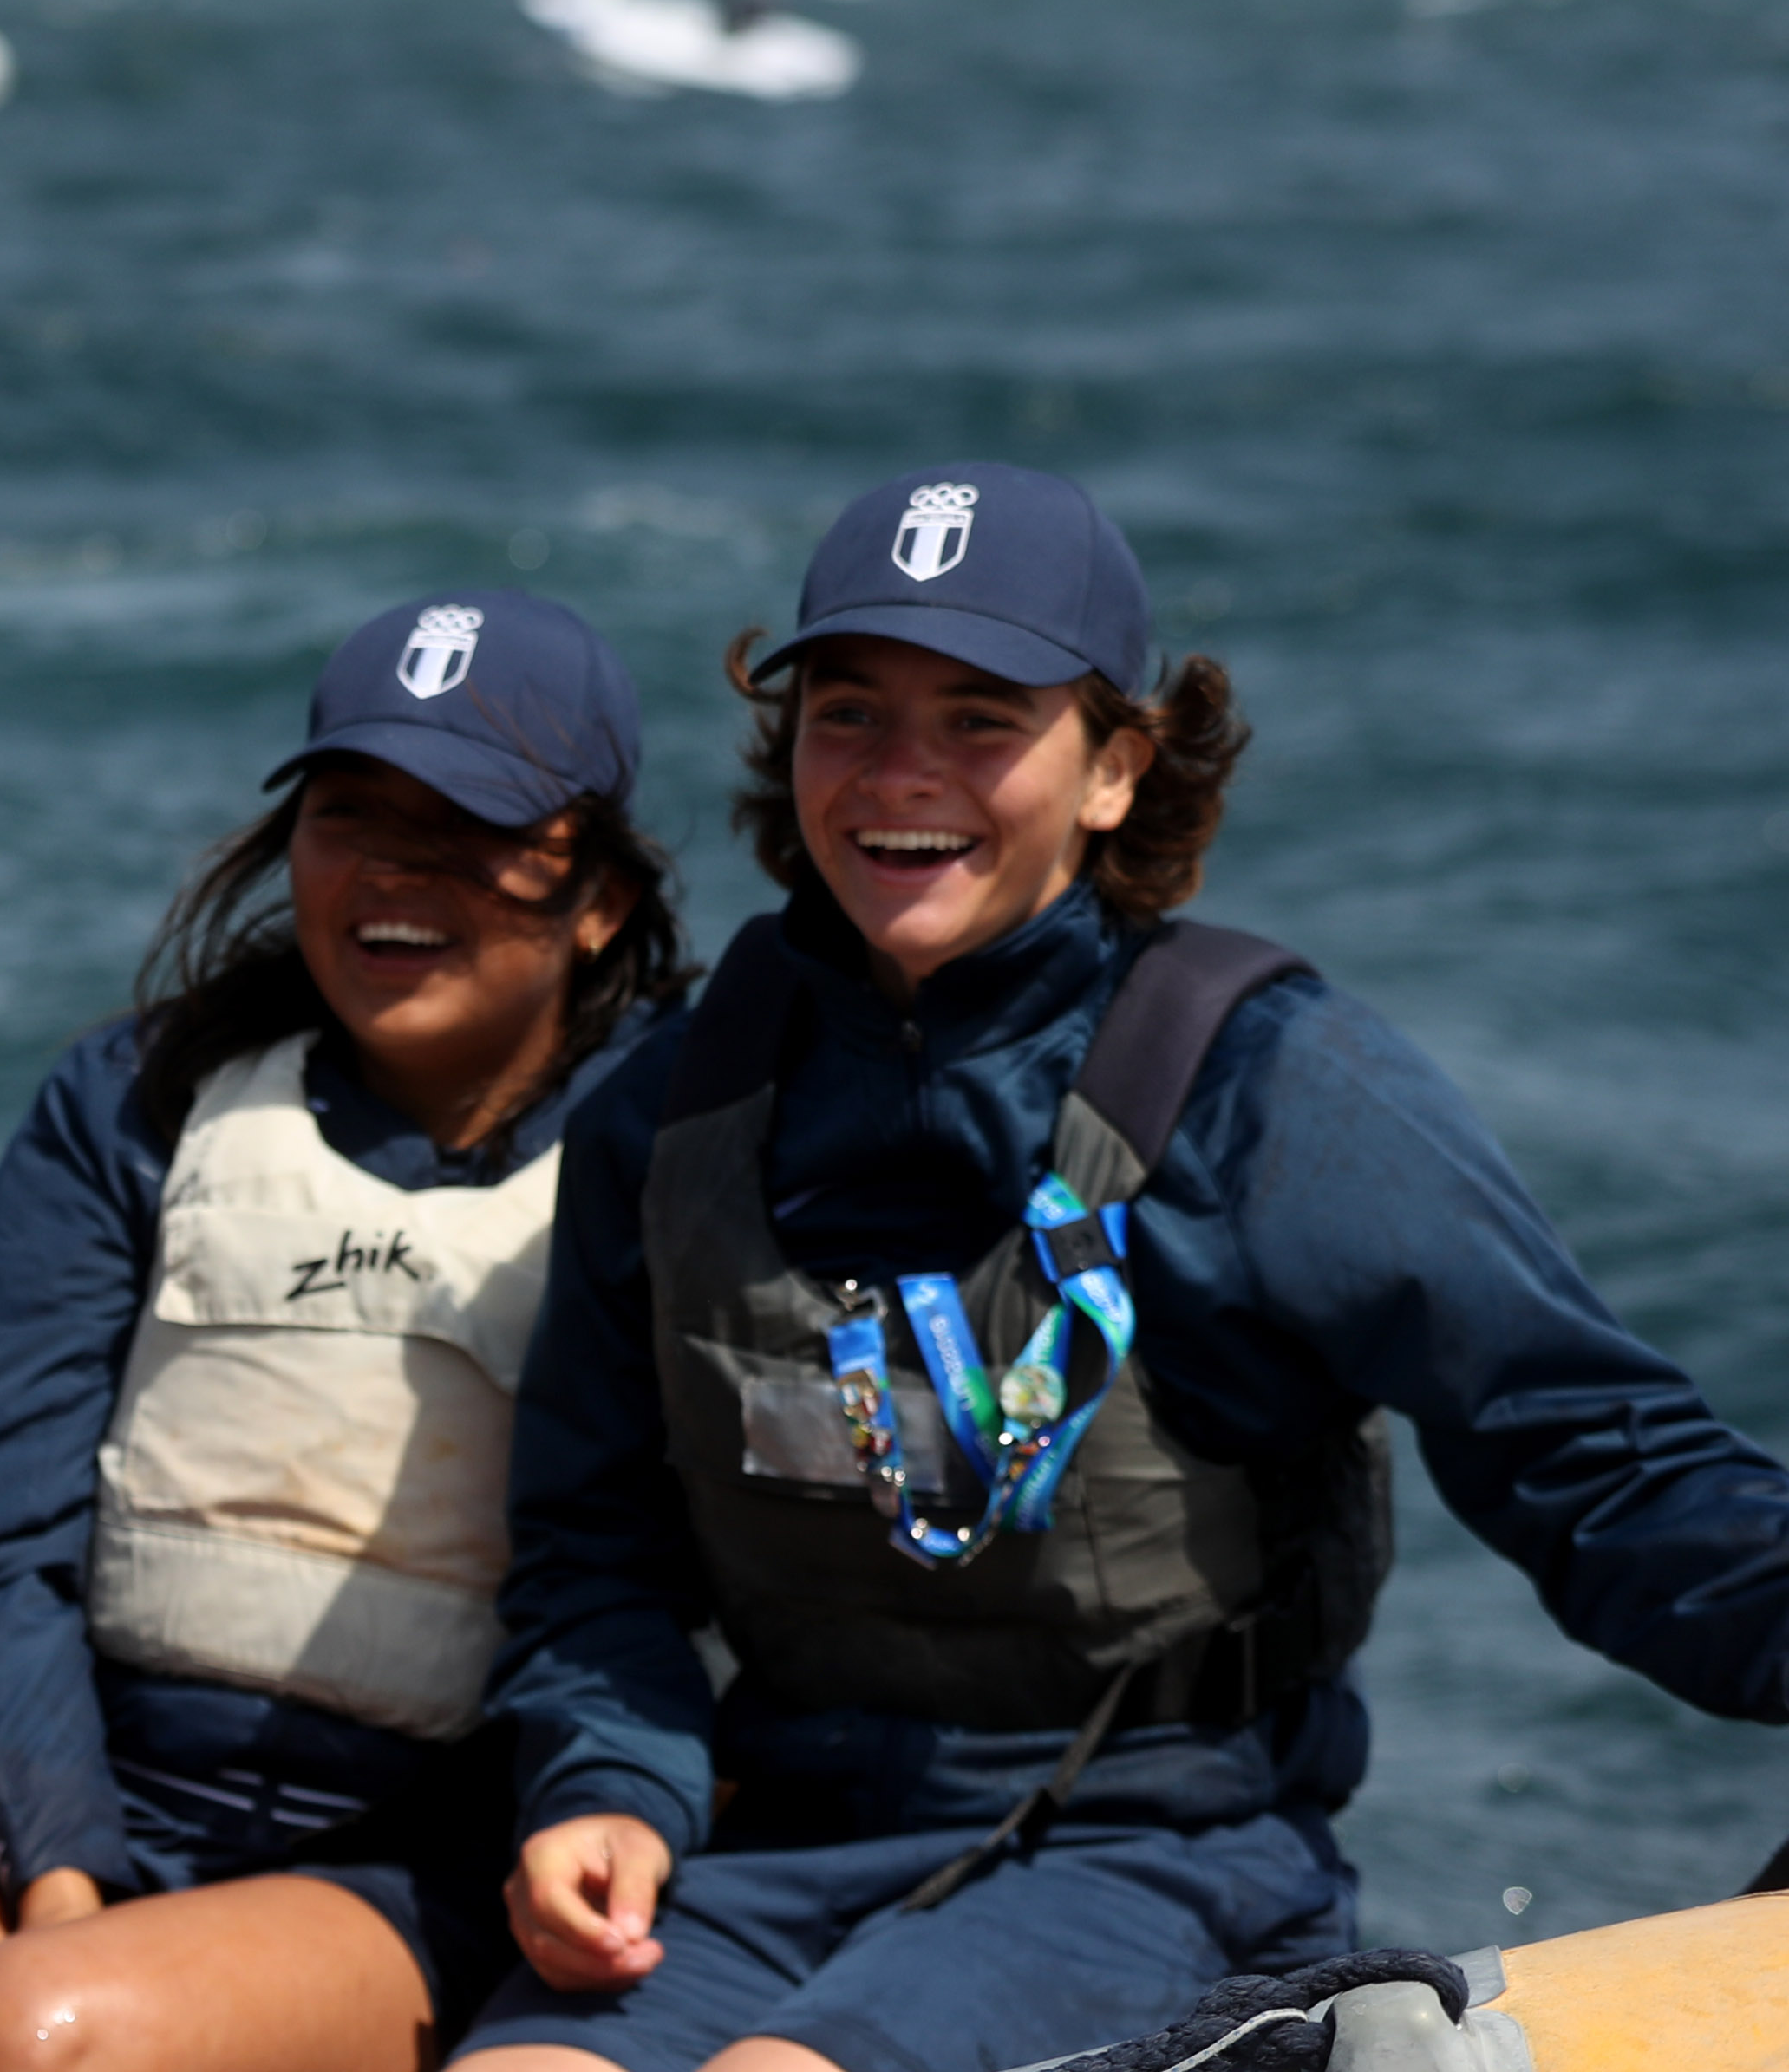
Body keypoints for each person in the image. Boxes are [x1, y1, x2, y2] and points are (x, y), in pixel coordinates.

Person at [463, 465, 1789, 2072]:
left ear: (1116, 768)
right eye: (849, 712)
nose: (901, 775)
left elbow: (1598, 1464)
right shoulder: (675, 1106)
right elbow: (590, 1539)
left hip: (1161, 1857)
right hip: (776, 1852)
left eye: (979, 719)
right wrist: (604, 1779)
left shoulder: (1274, 1087)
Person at [0, 596, 691, 2072]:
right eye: (349, 816)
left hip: (427, 1852)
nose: (393, 872)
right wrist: (62, 1865)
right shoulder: (135, 1103)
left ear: (600, 897)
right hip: (76, 1794)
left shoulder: (682, 1145)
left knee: (48, 2034)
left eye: (467, 826)